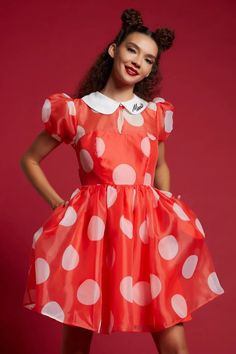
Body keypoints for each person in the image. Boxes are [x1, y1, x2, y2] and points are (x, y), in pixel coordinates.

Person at [20, 8, 225, 354]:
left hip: (147, 229)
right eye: (132, 50)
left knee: (172, 335)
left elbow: (160, 165)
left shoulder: (154, 114)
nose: (138, 62)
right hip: (93, 232)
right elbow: (30, 159)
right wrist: (58, 204)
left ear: (150, 69)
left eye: (148, 59)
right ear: (114, 50)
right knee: (77, 333)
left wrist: (166, 203)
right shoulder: (76, 111)